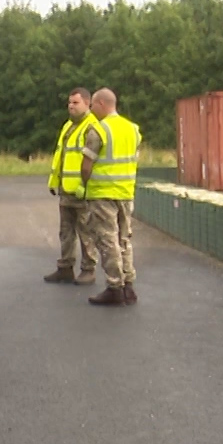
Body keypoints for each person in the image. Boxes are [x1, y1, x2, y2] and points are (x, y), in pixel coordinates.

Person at [82, 88, 140, 307]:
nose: (91, 110)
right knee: (124, 239)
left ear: (102, 104)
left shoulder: (98, 130)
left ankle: (114, 287)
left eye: (93, 105)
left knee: (108, 241)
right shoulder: (133, 129)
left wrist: (86, 185)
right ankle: (129, 285)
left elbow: (87, 165)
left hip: (103, 193)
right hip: (126, 192)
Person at [42, 87, 100, 286]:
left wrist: (86, 185)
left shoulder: (91, 127)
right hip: (66, 190)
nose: (71, 106)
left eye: (75, 102)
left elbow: (91, 161)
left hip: (82, 192)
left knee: (86, 233)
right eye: (69, 102)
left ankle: (88, 270)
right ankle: (65, 268)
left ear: (87, 103)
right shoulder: (68, 126)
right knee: (65, 232)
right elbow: (61, 157)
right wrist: (54, 182)